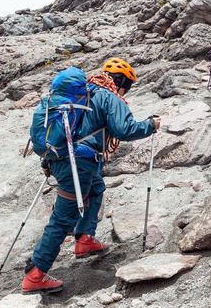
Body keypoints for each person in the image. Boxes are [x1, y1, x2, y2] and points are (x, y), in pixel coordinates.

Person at [22, 58, 160, 294]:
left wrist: (47, 161)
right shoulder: (110, 97)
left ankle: (85, 239)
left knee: (96, 188)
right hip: (80, 164)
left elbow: (68, 133)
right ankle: (35, 274)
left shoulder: (82, 94)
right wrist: (150, 125)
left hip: (62, 160)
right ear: (123, 83)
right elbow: (124, 130)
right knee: (63, 218)